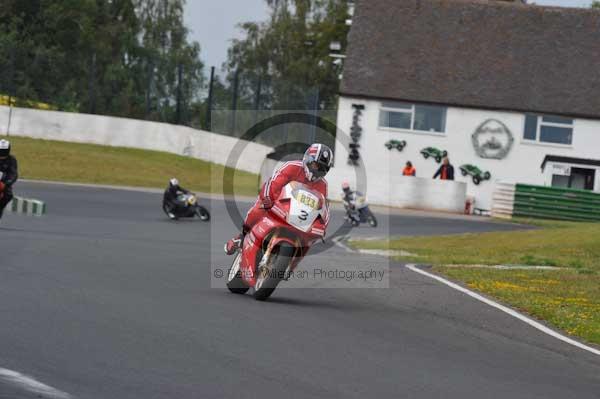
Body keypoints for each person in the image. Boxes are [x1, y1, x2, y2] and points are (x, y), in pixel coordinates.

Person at [225, 143, 333, 255]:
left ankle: (289, 268)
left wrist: (322, 226)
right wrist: (268, 199)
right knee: (259, 208)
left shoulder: (323, 185)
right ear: (308, 159)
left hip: (300, 218)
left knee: (307, 244)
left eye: (322, 168)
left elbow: (324, 208)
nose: (317, 170)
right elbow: (273, 184)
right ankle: (241, 237)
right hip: (278, 204)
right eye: (315, 165)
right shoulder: (292, 166)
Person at [0, 139, 18, 220]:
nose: (2, 153)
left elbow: (13, 173)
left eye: (4, 150)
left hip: (4, 182)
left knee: (9, 195)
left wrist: (6, 183)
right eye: (1, 150)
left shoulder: (11, 160)